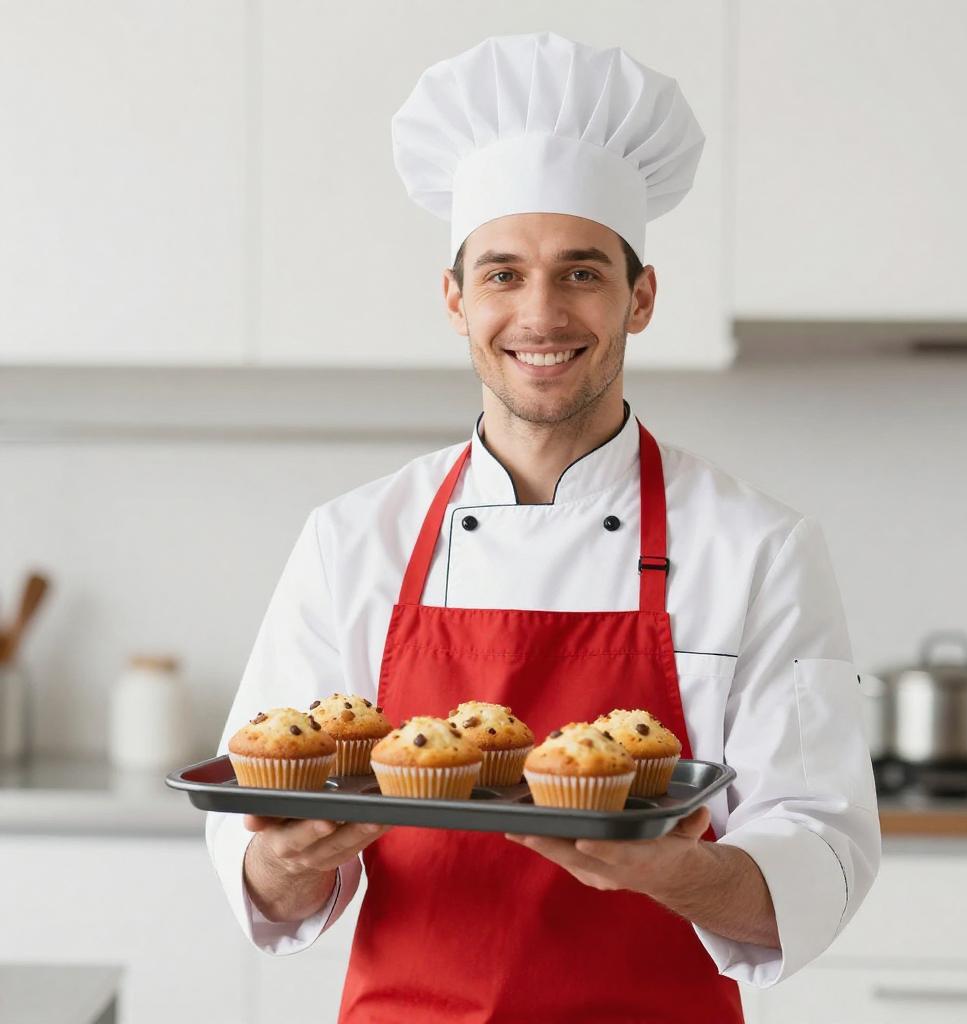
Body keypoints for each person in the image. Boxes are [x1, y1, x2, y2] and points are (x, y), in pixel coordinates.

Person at [207, 31, 880, 1022]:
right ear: (455, 298)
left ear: (638, 296)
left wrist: (670, 870)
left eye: (580, 272)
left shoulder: (757, 548)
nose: (540, 312)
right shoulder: (354, 540)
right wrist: (281, 858)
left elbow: (822, 855)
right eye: (502, 274)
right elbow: (262, 864)